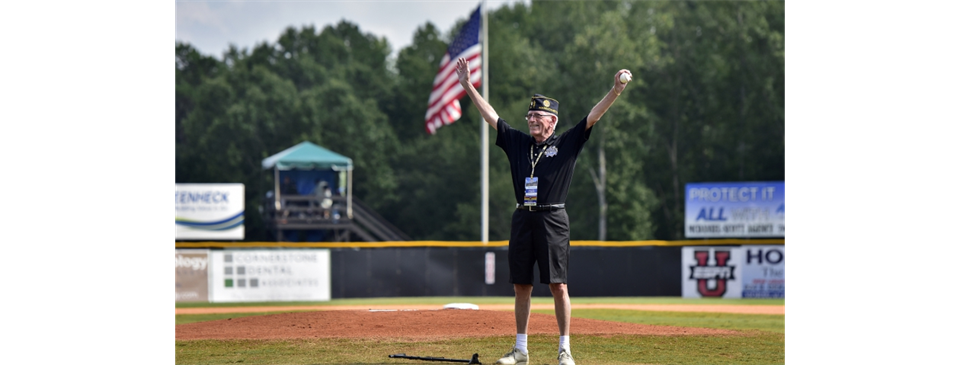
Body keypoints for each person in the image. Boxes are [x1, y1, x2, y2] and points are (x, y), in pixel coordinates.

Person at [455, 57, 631, 365]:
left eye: (537, 115)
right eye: (530, 114)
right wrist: (468, 85)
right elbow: (492, 117)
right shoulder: (519, 143)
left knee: (558, 285)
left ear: (552, 120)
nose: (531, 119)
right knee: (521, 284)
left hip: (553, 218)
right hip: (523, 217)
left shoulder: (565, 143)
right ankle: (520, 350)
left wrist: (615, 90)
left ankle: (565, 349)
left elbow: (593, 116)